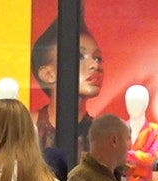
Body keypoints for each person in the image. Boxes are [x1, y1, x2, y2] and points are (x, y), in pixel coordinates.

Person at [30, 18, 103, 154]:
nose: (95, 65)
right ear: (47, 74)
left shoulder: (101, 135)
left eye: (98, 58)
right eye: (80, 57)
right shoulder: (27, 127)